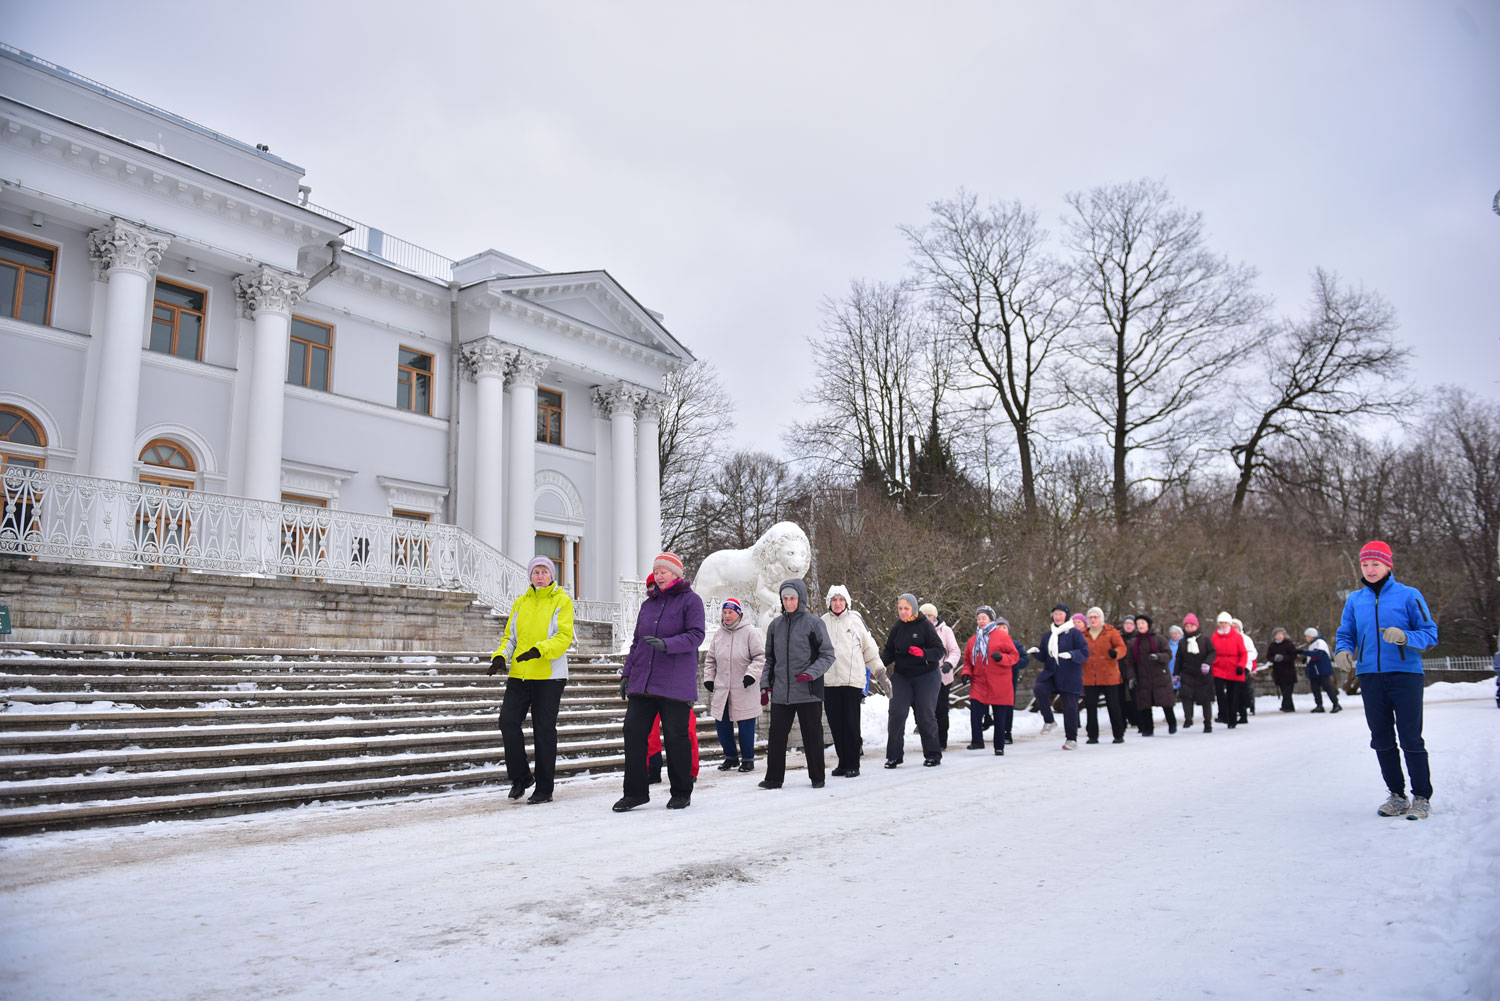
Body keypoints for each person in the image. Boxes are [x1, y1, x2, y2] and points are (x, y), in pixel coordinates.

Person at [1334, 540, 1439, 820]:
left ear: (1388, 565)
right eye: (1365, 564)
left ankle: (1421, 797)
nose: (1369, 569)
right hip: (1370, 677)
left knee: (1410, 738)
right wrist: (1342, 650)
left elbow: (1430, 634)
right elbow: (1346, 632)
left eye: (1375, 564)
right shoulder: (1355, 600)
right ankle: (1396, 796)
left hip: (1406, 675)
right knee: (1381, 738)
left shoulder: (1409, 595)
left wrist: (1406, 637)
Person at [614, 553, 706, 812]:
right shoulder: (648, 605)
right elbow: (636, 643)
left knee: (676, 737)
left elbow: (697, 635)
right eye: (656, 571)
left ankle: (681, 791)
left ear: (677, 573)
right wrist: (627, 674)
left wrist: (668, 645)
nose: (659, 575)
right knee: (633, 732)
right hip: (643, 681)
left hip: (675, 682)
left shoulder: (691, 601)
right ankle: (635, 793)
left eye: (664, 571)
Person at [491, 555, 576, 805]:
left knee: (543, 730)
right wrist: (500, 656)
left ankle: (544, 788)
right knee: (507, 721)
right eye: (535, 572)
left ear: (552, 575)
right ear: (530, 576)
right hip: (520, 674)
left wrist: (540, 650)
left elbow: (563, 637)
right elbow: (510, 638)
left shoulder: (562, 601)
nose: (539, 576)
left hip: (549, 676)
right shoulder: (520, 603)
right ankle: (520, 777)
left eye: (544, 572)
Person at [760, 579, 834, 789]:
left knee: (812, 735)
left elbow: (827, 655)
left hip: (808, 690)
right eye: (785, 598)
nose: (789, 602)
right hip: (782, 692)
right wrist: (765, 685)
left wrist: (811, 674)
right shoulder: (775, 626)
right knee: (776, 736)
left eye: (792, 598)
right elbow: (770, 659)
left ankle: (817, 777)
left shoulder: (814, 623)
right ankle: (773, 778)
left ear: (800, 599)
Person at [821, 585, 887, 778]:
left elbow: (869, 650)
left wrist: (880, 672)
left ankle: (853, 764)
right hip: (830, 682)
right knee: (836, 724)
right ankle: (842, 762)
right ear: (829, 603)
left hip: (852, 682)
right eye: (834, 600)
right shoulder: (822, 622)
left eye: (841, 600)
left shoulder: (855, 621)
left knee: (851, 724)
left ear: (847, 602)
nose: (838, 603)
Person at [880, 593, 945, 767]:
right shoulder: (897, 627)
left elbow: (940, 651)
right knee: (896, 713)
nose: (903, 612)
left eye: (906, 608)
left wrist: (924, 653)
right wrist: (877, 665)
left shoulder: (925, 625)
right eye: (900, 608)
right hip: (903, 676)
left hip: (927, 675)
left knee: (925, 715)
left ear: (914, 609)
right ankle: (894, 756)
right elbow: (889, 652)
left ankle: (932, 754)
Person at [702, 597, 765, 773]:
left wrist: (751, 675)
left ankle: (747, 759)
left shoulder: (750, 632)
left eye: (731, 612)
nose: (727, 616)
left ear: (738, 614)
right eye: (725, 612)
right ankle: (730, 757)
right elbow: (710, 660)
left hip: (744, 687)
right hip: (723, 688)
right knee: (722, 725)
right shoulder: (718, 634)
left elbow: (760, 657)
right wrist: (709, 678)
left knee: (745, 725)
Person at [960, 605, 1019, 754]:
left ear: (991, 619)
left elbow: (1015, 656)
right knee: (975, 710)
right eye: (979, 618)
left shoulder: (1002, 636)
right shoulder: (973, 640)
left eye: (984, 618)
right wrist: (966, 673)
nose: (980, 621)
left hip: (999, 681)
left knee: (999, 714)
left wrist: (1002, 658)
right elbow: (967, 660)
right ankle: (977, 741)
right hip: (979, 681)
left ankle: (999, 746)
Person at [1031, 604, 1088, 750]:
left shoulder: (1075, 633)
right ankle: (1049, 721)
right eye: (1055, 614)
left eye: (1060, 614)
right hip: (1052, 674)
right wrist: (1036, 652)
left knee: (1070, 708)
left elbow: (1084, 652)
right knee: (1039, 688)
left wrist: (1071, 655)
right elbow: (1044, 656)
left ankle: (1071, 739)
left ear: (1067, 616)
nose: (1057, 617)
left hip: (1070, 675)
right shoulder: (1048, 635)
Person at [1079, 606, 1127, 745]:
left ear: (1101, 618)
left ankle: (1118, 734)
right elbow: (1077, 648)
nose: (1093, 619)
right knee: (1091, 707)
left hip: (1109, 675)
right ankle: (1092, 736)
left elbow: (1122, 647)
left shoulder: (1111, 632)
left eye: (1096, 617)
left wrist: (1115, 653)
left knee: (1113, 705)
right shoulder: (1083, 634)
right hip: (1089, 676)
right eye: (1091, 617)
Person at [1124, 614, 1177, 735]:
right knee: (1145, 704)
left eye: (1143, 623)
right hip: (1143, 678)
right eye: (1138, 624)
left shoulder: (1159, 639)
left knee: (1166, 703)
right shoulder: (1134, 643)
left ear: (1148, 625)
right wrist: (1131, 676)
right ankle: (1148, 728)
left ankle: (1172, 723)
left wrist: (1158, 656)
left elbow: (1168, 655)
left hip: (1160, 677)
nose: (1140, 626)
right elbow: (1130, 662)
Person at [921, 603, 962, 751]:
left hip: (942, 676)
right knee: (925, 710)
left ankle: (941, 741)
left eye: (930, 615)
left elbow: (955, 651)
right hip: (922, 676)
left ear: (935, 616)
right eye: (924, 616)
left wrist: (949, 664)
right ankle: (928, 739)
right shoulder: (917, 630)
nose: (927, 618)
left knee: (940, 709)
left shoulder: (945, 631)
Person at [1175, 613, 1217, 732]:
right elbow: (1179, 658)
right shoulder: (1182, 642)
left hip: (1203, 674)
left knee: (1206, 699)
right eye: (1187, 626)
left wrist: (1207, 663)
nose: (1189, 628)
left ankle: (1207, 723)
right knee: (1186, 696)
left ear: (1196, 626)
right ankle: (1188, 718)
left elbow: (1212, 652)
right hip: (1188, 673)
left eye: (1191, 626)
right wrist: (1176, 674)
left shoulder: (1204, 640)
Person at [1209, 611, 1248, 730]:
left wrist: (1241, 666)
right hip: (1218, 667)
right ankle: (1223, 714)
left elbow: (1243, 653)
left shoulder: (1237, 637)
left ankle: (1232, 719)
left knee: (1233, 694)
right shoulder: (1214, 637)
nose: (1223, 625)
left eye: (1225, 623)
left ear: (1229, 624)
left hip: (1234, 667)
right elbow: (1211, 651)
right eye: (1221, 623)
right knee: (1220, 693)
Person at [1298, 627, 1341, 713]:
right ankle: (1319, 705)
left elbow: (1318, 654)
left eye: (1307, 636)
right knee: (1315, 688)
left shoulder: (1320, 642)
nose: (1306, 638)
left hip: (1321, 670)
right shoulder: (1312, 644)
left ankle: (1336, 704)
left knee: (1327, 687)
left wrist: (1304, 652)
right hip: (1314, 671)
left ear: (1311, 636)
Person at [995, 616, 1022, 745]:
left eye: (1004, 627)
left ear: (1008, 630)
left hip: (1010, 679)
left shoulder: (1015, 644)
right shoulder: (990, 643)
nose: (1001, 629)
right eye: (998, 627)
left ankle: (1007, 733)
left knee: (1007, 706)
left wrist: (1010, 663)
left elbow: (1024, 659)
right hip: (993, 679)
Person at [1267, 627, 1299, 712]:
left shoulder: (1289, 644)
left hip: (1289, 671)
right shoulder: (1272, 645)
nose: (1280, 636)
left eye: (1281, 634)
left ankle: (1287, 706)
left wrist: (1284, 658)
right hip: (1278, 671)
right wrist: (1274, 658)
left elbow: (1293, 655)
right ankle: (1288, 706)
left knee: (1287, 690)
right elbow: (1268, 656)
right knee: (1283, 689)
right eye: (1278, 635)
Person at [1234, 618, 1259, 721]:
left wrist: (1243, 659)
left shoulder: (1246, 639)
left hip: (1243, 667)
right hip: (1230, 668)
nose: (1233, 629)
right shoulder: (1226, 639)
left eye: (1235, 627)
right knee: (1232, 691)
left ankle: (1243, 712)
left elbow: (1253, 653)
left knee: (1242, 690)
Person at [1167, 624, 1184, 697]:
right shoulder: (1168, 645)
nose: (1174, 635)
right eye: (1172, 633)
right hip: (1171, 669)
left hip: (1182, 670)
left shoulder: (1184, 643)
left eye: (1176, 633)